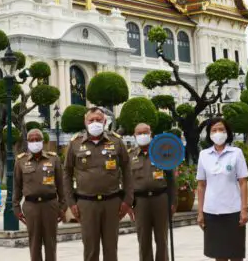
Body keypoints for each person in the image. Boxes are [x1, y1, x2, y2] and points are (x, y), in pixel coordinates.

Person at [62, 106, 131, 261]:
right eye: (91, 120)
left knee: (111, 250)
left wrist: (127, 200)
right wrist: (71, 202)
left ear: (105, 121)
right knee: (90, 250)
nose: (95, 123)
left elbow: (127, 171)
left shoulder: (116, 141)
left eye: (98, 120)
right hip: (86, 204)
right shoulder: (75, 143)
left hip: (112, 202)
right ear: (85, 122)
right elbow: (66, 173)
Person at [196, 118, 248, 261]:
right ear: (209, 134)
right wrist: (200, 212)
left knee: (236, 254)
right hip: (211, 212)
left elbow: (243, 182)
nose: (218, 133)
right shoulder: (204, 155)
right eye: (214, 130)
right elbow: (201, 185)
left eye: (221, 130)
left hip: (233, 211)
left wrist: (244, 209)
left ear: (228, 133)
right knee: (219, 255)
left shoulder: (236, 153)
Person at [13, 128, 65, 261]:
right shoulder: (21, 161)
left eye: (37, 139)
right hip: (31, 206)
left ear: (43, 141)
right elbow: (17, 186)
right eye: (31, 140)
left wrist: (63, 207)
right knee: (34, 243)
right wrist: (16, 207)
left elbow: (61, 185)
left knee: (51, 243)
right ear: (27, 142)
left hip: (50, 205)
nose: (35, 142)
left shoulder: (54, 159)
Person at [128, 123, 174, 261]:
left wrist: (173, 201)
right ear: (134, 136)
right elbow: (126, 182)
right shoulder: (130, 156)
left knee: (162, 239)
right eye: (139, 133)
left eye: (145, 132)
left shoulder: (161, 153)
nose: (143, 135)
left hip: (160, 198)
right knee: (143, 240)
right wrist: (128, 203)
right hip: (140, 201)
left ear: (151, 134)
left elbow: (171, 179)